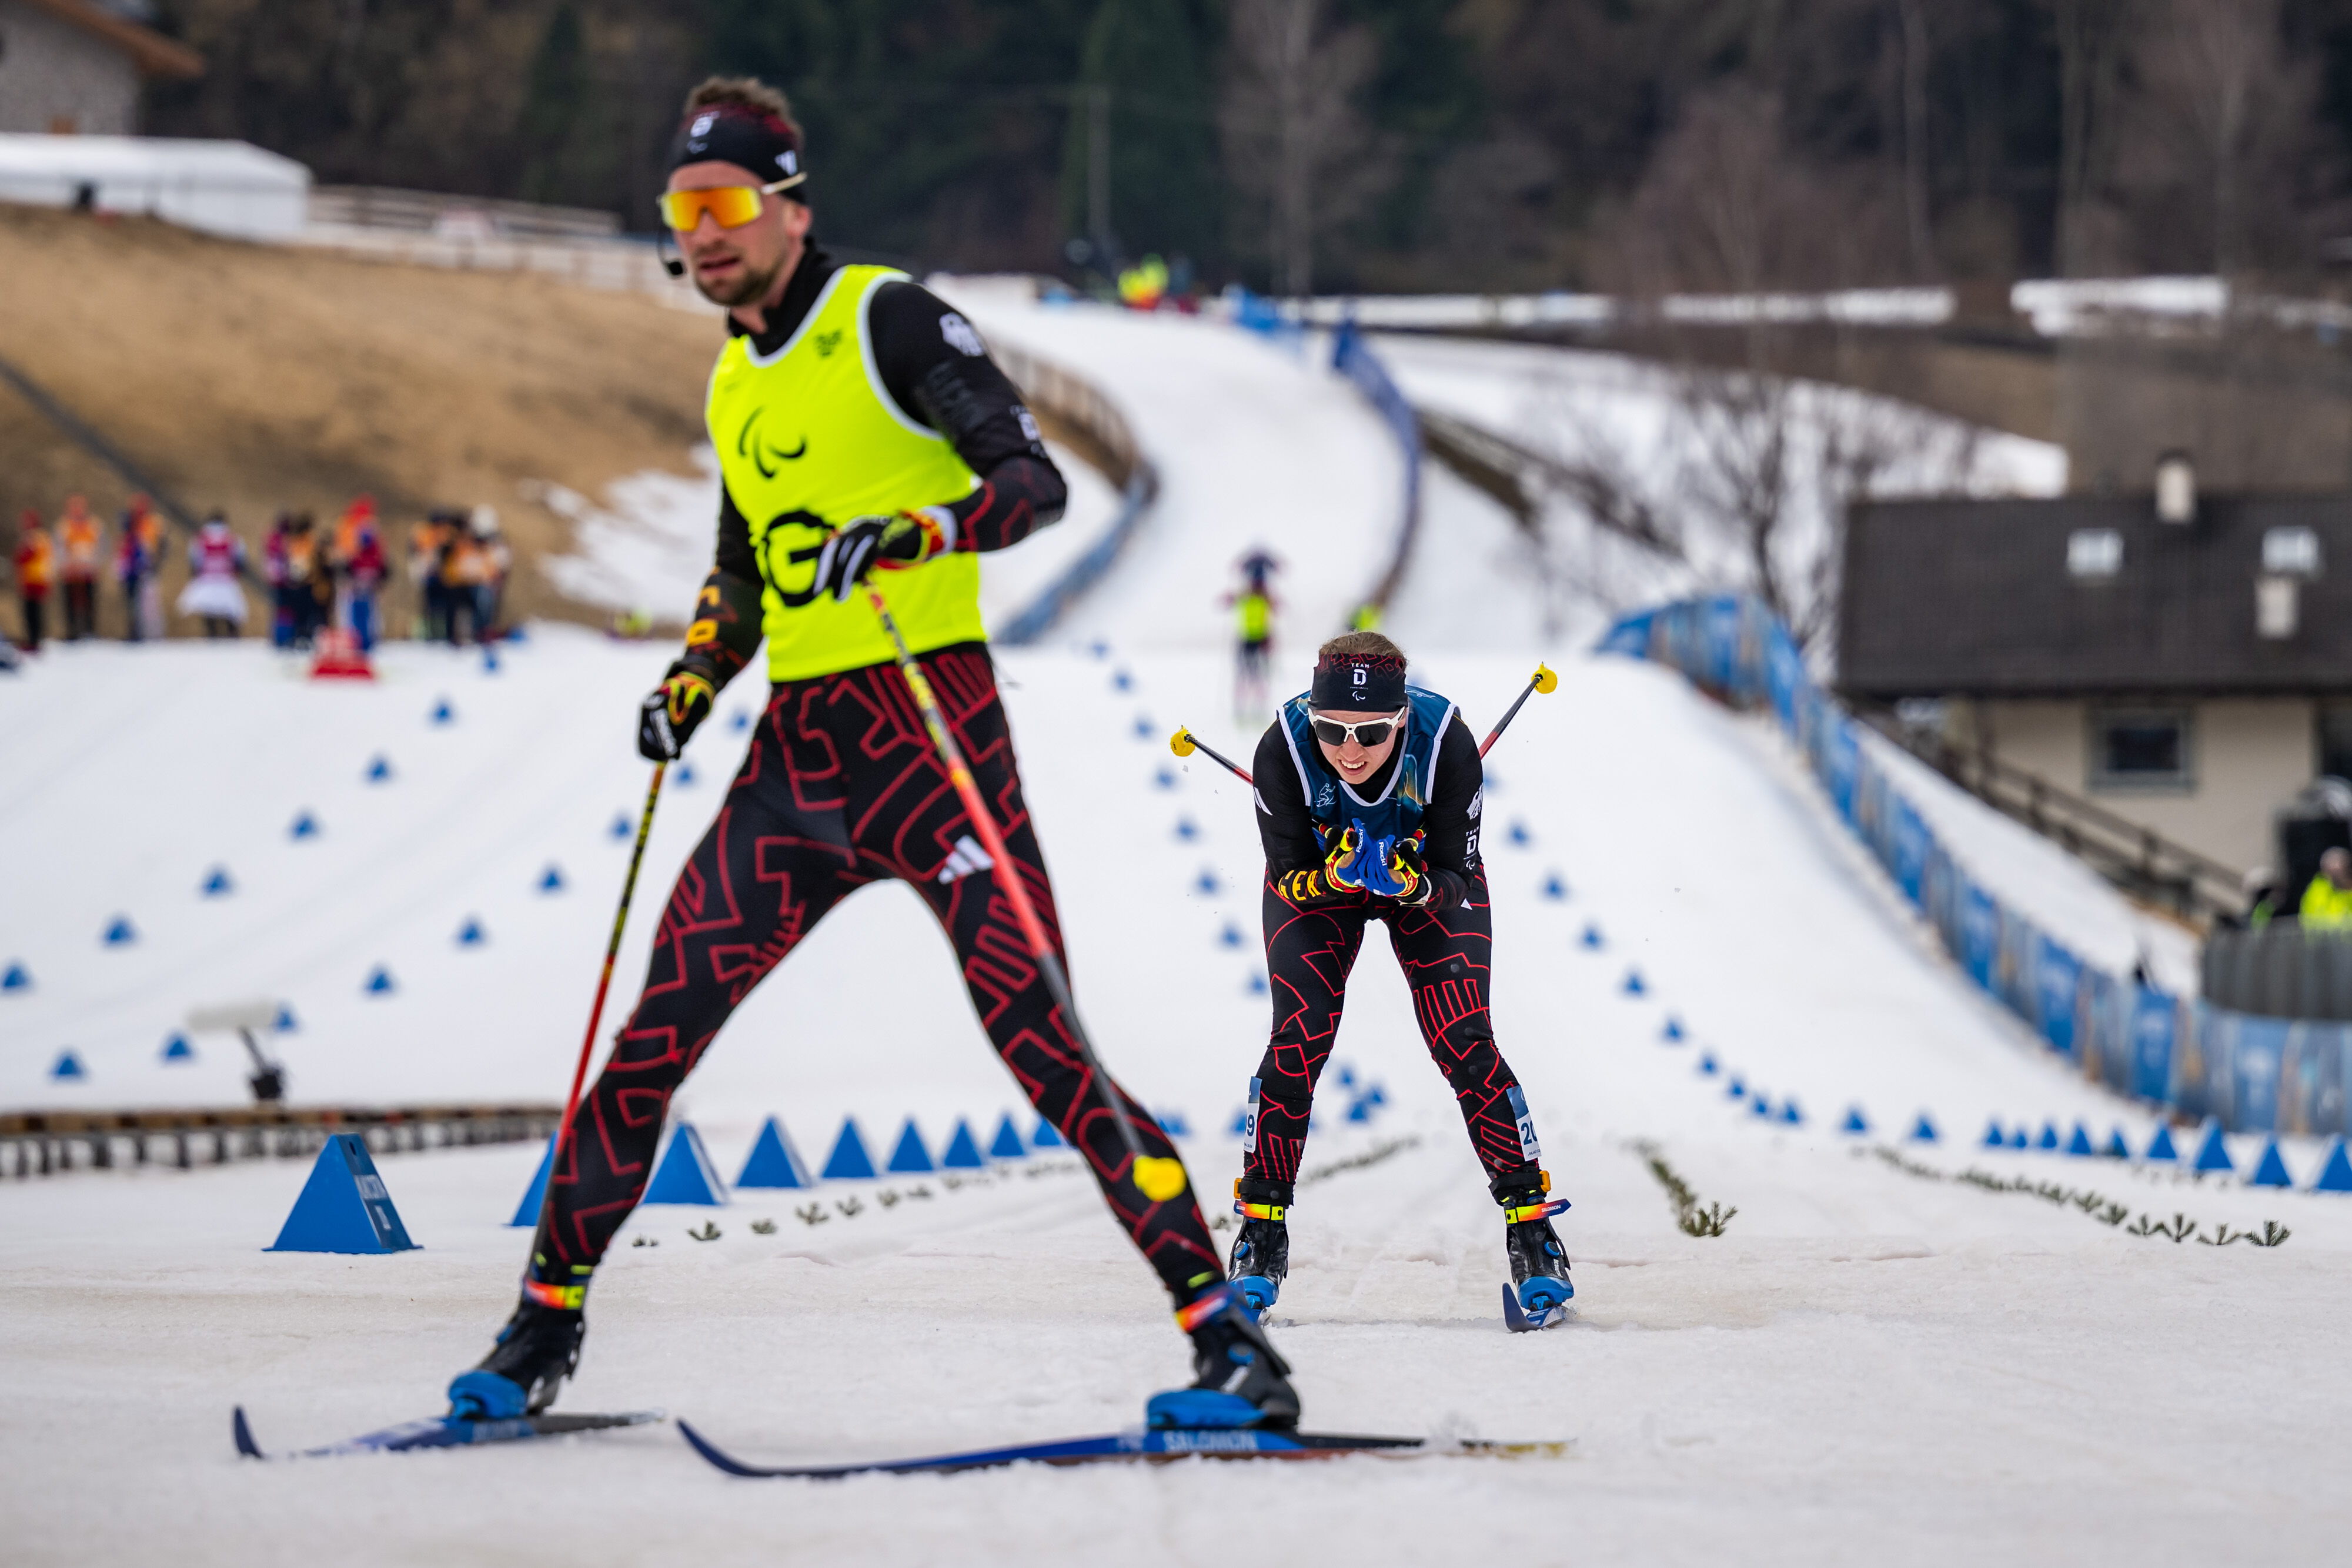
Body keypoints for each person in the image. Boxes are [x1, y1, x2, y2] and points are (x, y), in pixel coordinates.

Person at [446, 75, 1296, 1432]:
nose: (706, 231)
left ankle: (1226, 1339)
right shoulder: (734, 376)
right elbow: (742, 578)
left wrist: (913, 534)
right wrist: (689, 681)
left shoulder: (885, 317)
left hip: (933, 737)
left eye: (727, 204)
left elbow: (1031, 483)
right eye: (685, 209)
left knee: (1046, 1048)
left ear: (790, 207)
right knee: (645, 1050)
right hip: (796, 766)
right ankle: (539, 1332)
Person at [1226, 630, 1573, 1329]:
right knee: (1297, 1039)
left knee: (1464, 1039)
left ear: (1402, 720)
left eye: (1372, 733)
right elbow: (1287, 870)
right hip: (1320, 890)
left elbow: (1456, 872)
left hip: (1424, 887)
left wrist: (1414, 886)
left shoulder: (1447, 745)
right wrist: (1331, 875)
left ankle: (1533, 1233)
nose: (1349, 751)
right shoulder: (1282, 750)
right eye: (1333, 730)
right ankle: (1260, 1236)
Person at [176, 510, 249, 638]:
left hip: (207, 580)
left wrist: (196, 575)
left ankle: (212, 637)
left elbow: (195, 561)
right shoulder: (232, 539)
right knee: (231, 613)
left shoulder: (200, 540)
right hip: (226, 581)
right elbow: (239, 561)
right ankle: (233, 640)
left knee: (209, 612)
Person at [118, 496, 165, 641]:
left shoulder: (153, 524)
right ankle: (134, 631)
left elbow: (161, 546)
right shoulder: (130, 524)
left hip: (147, 568)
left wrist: (156, 564)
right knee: (131, 602)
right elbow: (123, 547)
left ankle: (150, 633)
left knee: (148, 604)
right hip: (131, 569)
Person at [55, 496, 101, 639]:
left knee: (90, 603)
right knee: (70, 603)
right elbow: (59, 547)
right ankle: (72, 631)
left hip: (88, 571)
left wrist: (93, 564)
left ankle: (89, 631)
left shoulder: (93, 525)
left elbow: (100, 547)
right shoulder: (64, 526)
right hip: (71, 571)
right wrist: (66, 564)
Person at [13, 510, 53, 650]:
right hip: (27, 581)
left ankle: (36, 641)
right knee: (28, 613)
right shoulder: (26, 538)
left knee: (36, 613)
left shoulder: (39, 538)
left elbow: (43, 558)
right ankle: (30, 639)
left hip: (38, 581)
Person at [2302, 848, 2352, 931]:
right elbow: (2311, 920)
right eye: (2333, 872)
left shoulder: (2348, 889)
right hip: (2326, 940)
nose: (2337, 877)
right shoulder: (2317, 891)